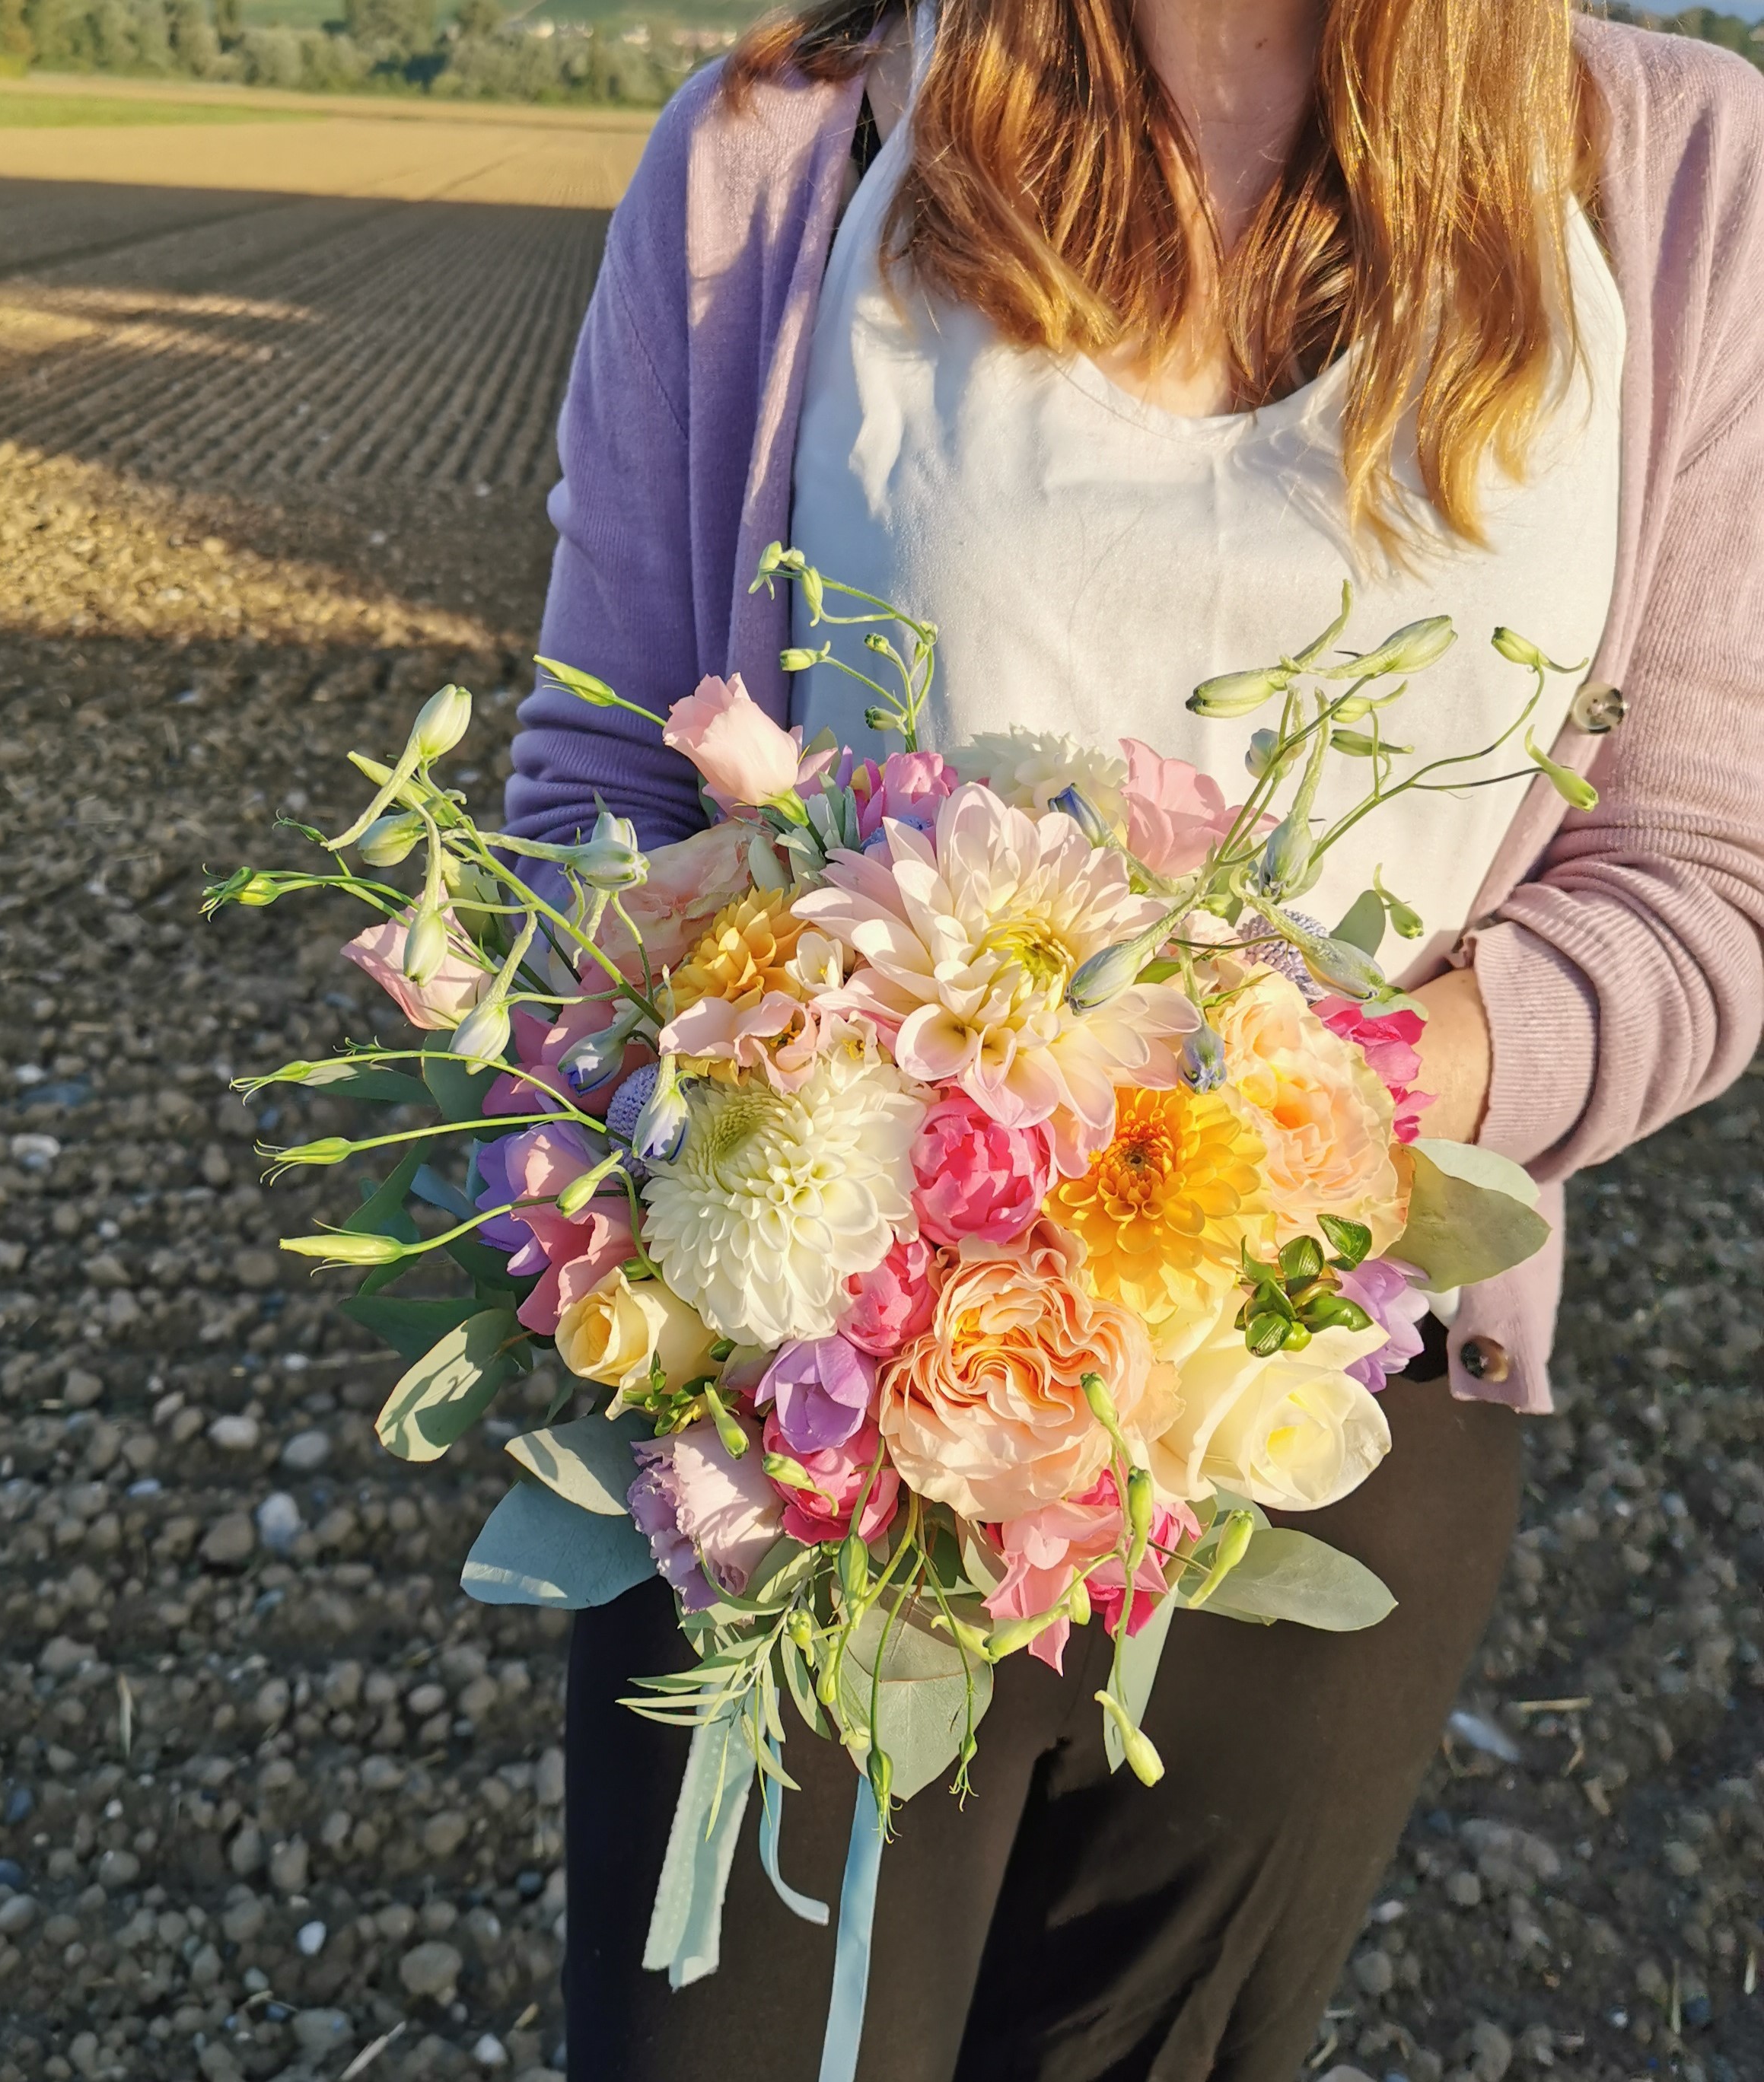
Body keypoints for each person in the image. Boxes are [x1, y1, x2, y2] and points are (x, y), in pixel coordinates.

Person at [504, 1, 1764, 2074]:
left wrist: (1322, 1112)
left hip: (1323, 1410)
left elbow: (1701, 878)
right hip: (811, 1417)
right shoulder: (780, 156)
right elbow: (599, 779)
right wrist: (717, 1050)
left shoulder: (1679, 173)